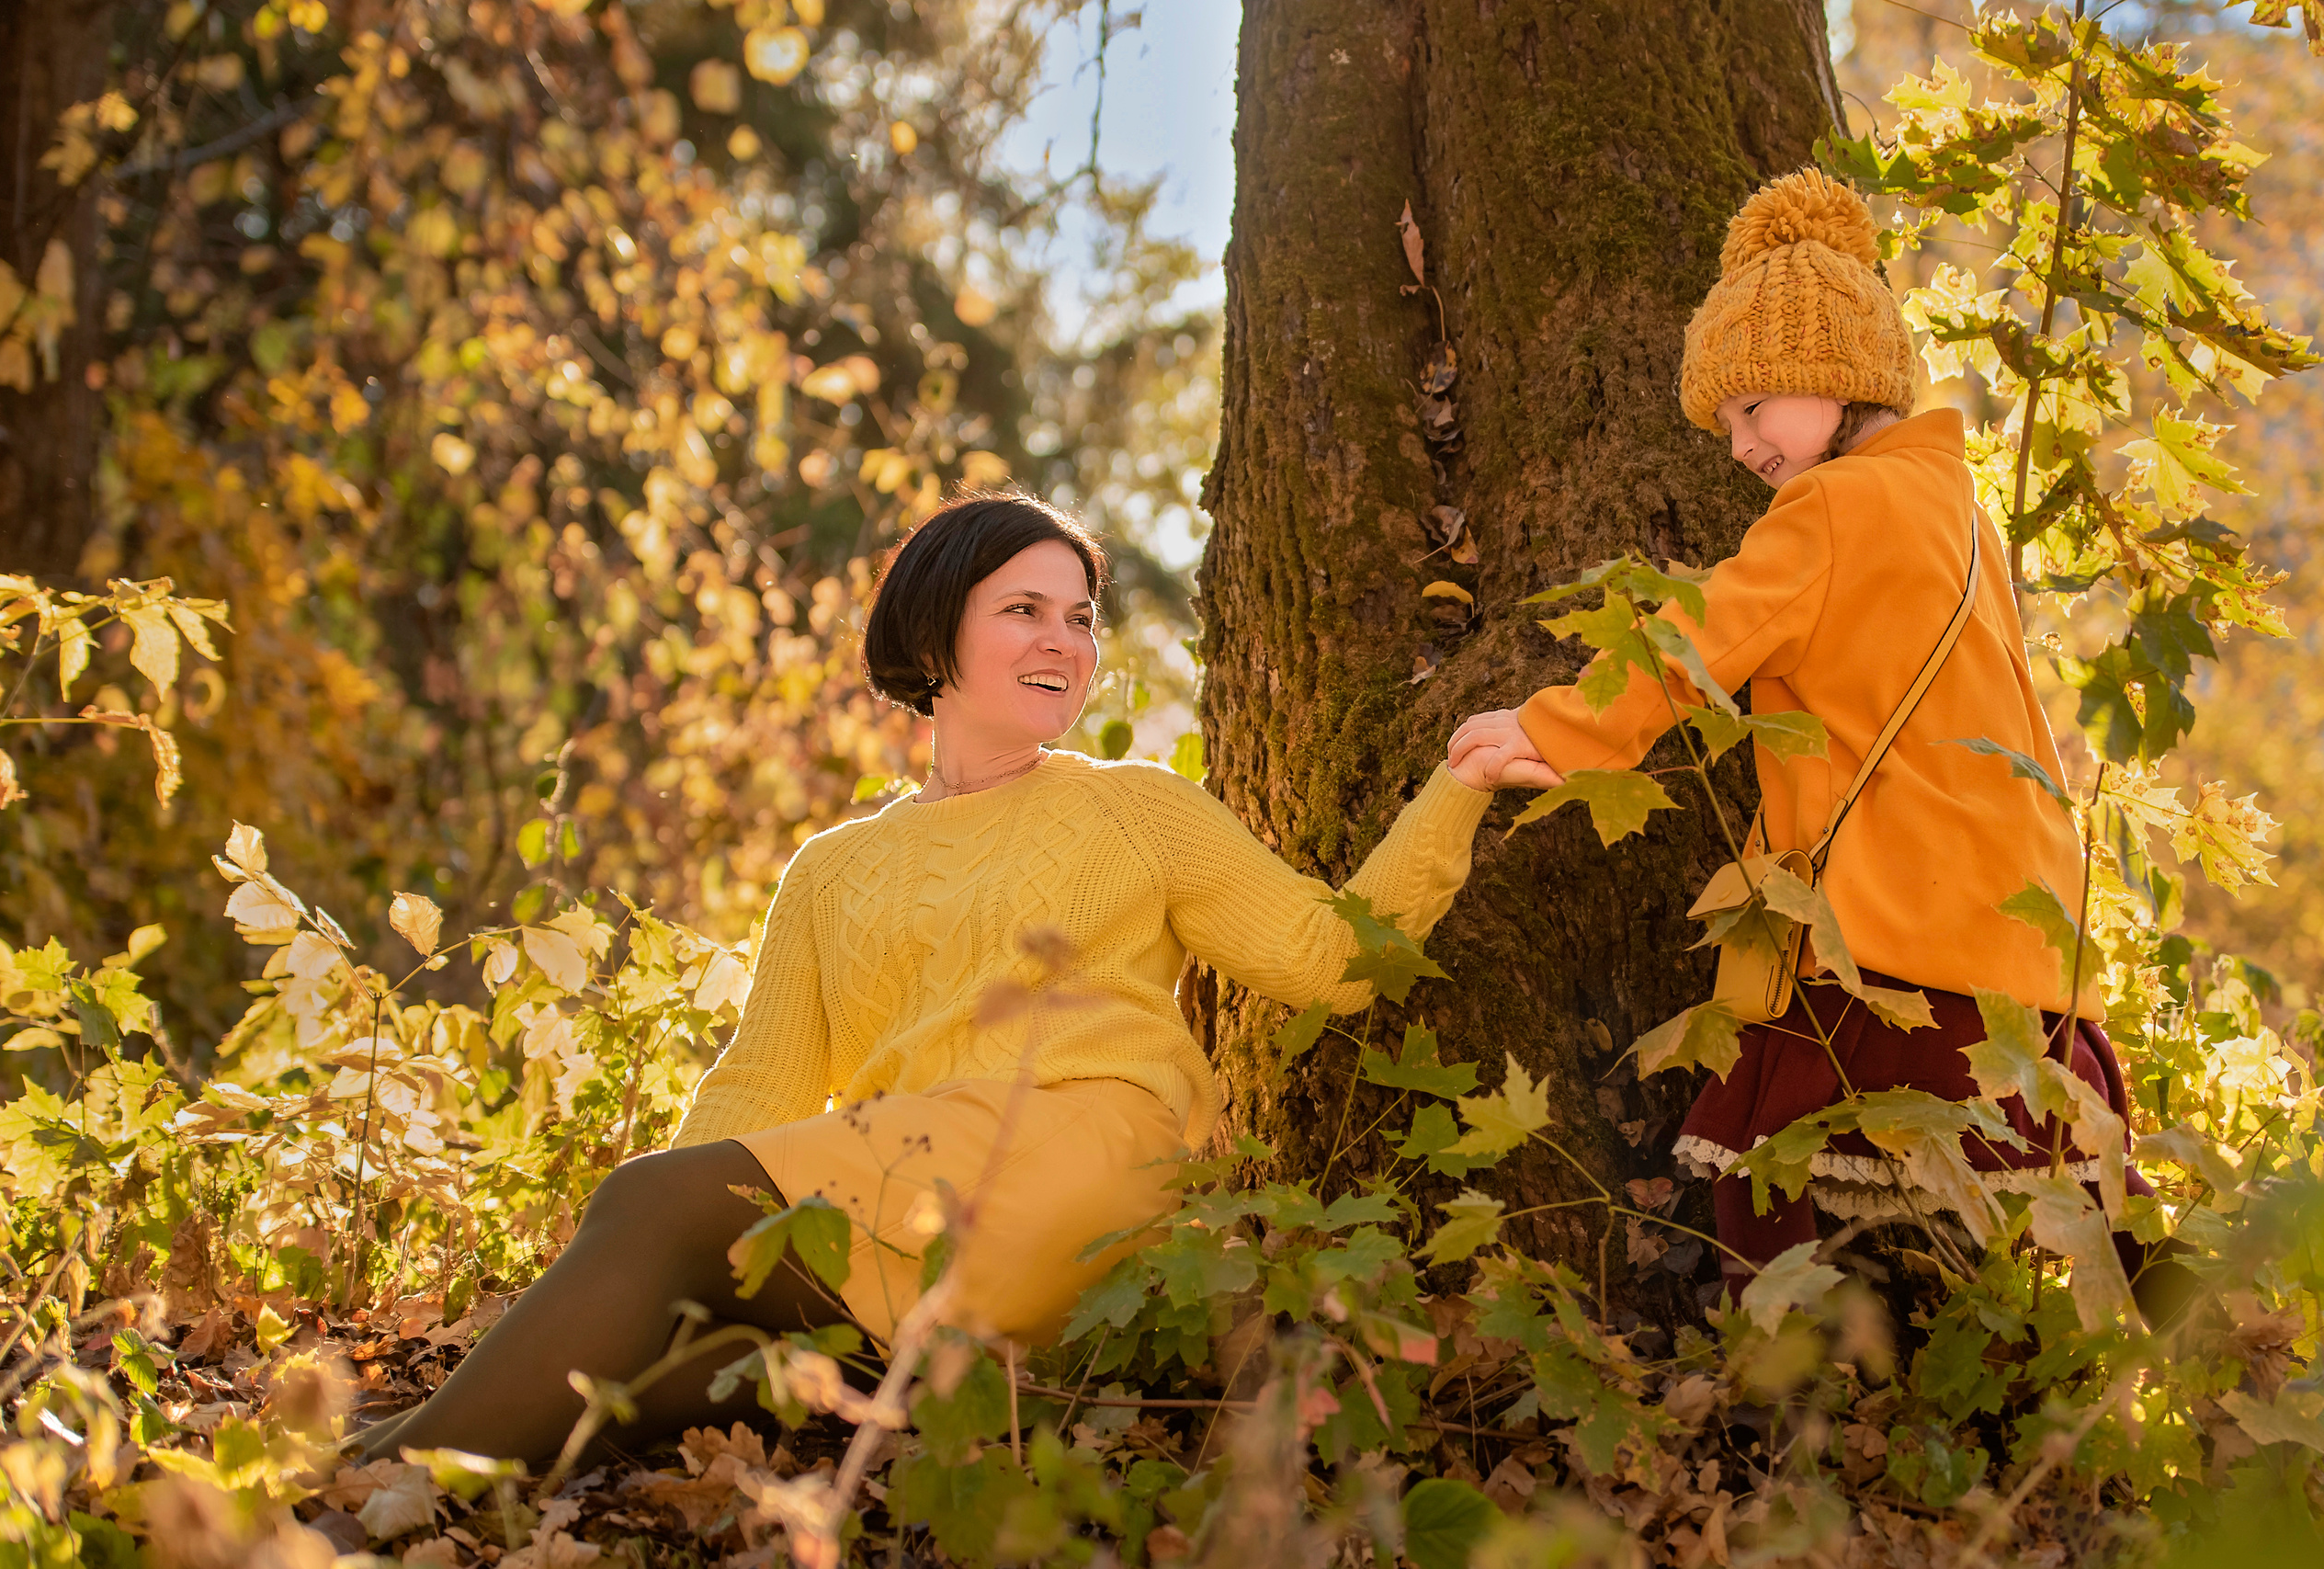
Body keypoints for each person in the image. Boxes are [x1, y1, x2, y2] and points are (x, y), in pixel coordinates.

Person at [352, 492, 1533, 1464]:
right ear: (933, 640)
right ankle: (423, 1484)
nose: (1064, 642)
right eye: (1024, 610)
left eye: (1079, 617)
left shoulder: (1137, 809)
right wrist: (641, 1215)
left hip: (1082, 1163)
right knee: (690, 1361)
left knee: (656, 1218)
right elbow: (755, 1094)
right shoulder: (830, 869)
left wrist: (1459, 786)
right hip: (908, 1196)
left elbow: (1328, 962)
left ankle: (366, 1480)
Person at [1448, 169, 2175, 1313]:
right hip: (2023, 932)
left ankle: (1771, 1389)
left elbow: (1704, 632)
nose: (1737, 445)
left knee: (1764, 1178)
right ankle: (2222, 1387)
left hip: (1887, 921)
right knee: (2069, 1202)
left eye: (1752, 409)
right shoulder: (1956, 509)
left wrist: (1563, 725)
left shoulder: (1832, 509)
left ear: (1834, 380)